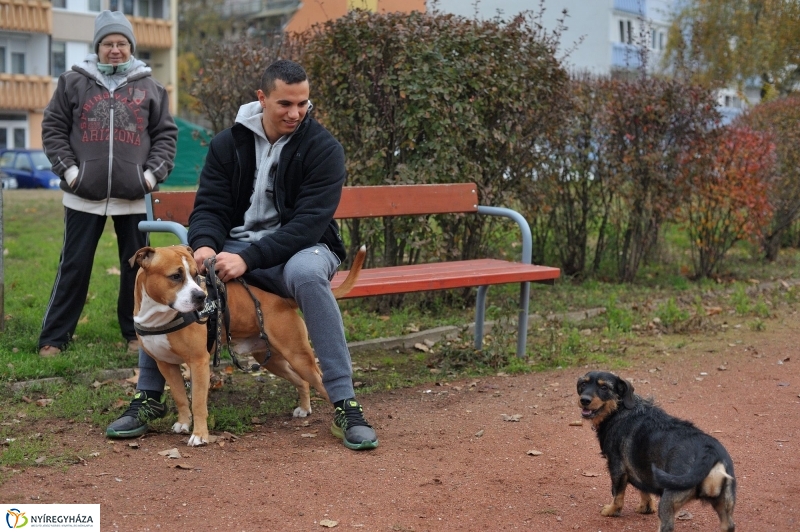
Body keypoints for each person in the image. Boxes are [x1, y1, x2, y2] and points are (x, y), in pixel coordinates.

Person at [107, 59, 378, 450]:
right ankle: (148, 397)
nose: (296, 113)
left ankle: (344, 402)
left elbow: (308, 224)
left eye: (303, 103)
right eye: (285, 103)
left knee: (306, 276)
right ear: (262, 98)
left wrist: (248, 258)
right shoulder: (227, 143)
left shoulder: (323, 149)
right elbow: (210, 208)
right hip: (234, 247)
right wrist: (203, 245)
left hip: (304, 248)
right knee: (173, 282)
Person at [38, 10, 177, 358]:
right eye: (108, 43)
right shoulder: (72, 82)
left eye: (121, 43)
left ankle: (135, 333)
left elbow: (165, 136)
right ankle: (54, 337)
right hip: (83, 196)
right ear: (97, 46)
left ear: (130, 46)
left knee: (138, 269)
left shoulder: (151, 87)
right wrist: (71, 173)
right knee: (74, 264)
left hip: (134, 197)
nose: (115, 49)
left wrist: (149, 177)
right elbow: (53, 129)